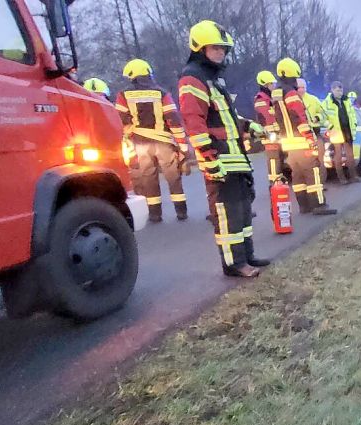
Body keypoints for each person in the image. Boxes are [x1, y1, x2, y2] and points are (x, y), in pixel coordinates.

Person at [178, 20, 269, 278]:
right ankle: (234, 264)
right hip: (219, 159)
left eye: (223, 49)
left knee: (242, 210)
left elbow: (226, 117)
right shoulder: (192, 78)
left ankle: (247, 255)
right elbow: (194, 122)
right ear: (200, 48)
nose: (220, 53)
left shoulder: (214, 80)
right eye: (215, 48)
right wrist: (208, 158)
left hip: (235, 158)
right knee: (227, 214)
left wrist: (249, 125)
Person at [115, 59, 189, 222]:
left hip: (140, 143)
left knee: (148, 178)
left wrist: (128, 137)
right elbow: (173, 119)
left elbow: (121, 120)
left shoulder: (123, 95)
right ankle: (181, 211)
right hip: (164, 143)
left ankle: (155, 214)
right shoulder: (162, 93)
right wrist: (182, 145)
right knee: (173, 177)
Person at [272, 58, 337, 215]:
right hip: (302, 141)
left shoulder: (276, 93)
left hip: (288, 143)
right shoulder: (291, 94)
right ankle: (319, 205)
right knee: (313, 173)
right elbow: (299, 118)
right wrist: (310, 138)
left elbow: (278, 119)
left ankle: (304, 206)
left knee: (298, 176)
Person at [321, 81, 361, 184]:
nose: (339, 92)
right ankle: (342, 178)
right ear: (332, 90)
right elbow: (322, 117)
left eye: (341, 90)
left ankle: (354, 176)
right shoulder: (326, 102)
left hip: (347, 131)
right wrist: (330, 126)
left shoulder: (346, 100)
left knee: (350, 155)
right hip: (336, 132)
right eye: (337, 90)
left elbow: (352, 114)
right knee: (338, 156)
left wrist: (355, 124)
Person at [253, 70, 282, 185]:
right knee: (274, 159)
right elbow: (267, 118)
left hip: (275, 134)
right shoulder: (261, 99)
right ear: (265, 85)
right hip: (270, 135)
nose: (274, 86)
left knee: (278, 158)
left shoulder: (269, 98)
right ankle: (275, 181)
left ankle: (278, 179)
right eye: (271, 84)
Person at [297, 77, 329, 164]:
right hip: (299, 134)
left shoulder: (313, 99)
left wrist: (317, 117)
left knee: (319, 159)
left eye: (303, 87)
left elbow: (324, 114)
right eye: (299, 87)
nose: (301, 90)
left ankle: (320, 174)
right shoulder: (292, 100)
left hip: (315, 132)